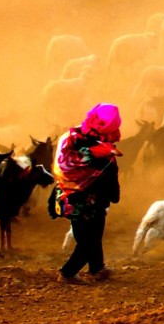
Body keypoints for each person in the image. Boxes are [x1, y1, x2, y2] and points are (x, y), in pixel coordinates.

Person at [52, 103, 122, 283]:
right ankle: (67, 273)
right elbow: (110, 181)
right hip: (90, 202)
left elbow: (60, 168)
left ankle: (97, 268)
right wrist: (114, 197)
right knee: (88, 241)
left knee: (90, 236)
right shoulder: (104, 153)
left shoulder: (69, 138)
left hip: (67, 196)